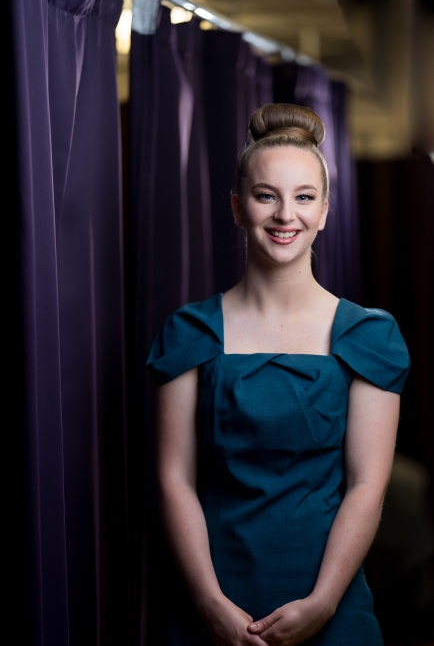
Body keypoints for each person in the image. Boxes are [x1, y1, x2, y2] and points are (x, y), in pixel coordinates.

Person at [146, 103, 410, 645]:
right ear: (237, 207)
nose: (286, 215)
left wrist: (323, 603)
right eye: (267, 195)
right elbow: (175, 479)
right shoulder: (190, 331)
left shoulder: (369, 335)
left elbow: (368, 485)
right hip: (212, 605)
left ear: (325, 211)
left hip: (331, 605)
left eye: (304, 197)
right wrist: (210, 604)